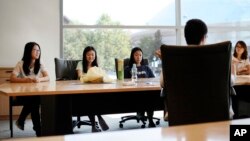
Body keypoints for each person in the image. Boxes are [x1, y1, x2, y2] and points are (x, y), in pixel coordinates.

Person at [156, 18, 235, 119]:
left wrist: (166, 62)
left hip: (181, 113)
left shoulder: (175, 58)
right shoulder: (216, 56)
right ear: (203, 37)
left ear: (185, 37)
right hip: (214, 112)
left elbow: (163, 83)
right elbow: (230, 82)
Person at [10, 42, 50, 136]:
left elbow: (48, 77)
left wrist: (39, 79)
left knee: (34, 101)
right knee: (34, 101)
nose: (38, 52)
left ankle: (24, 122)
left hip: (34, 94)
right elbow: (12, 78)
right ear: (28, 51)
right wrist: (25, 80)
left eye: (39, 50)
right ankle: (37, 130)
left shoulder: (40, 63)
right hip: (22, 95)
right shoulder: (21, 63)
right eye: (35, 50)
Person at [76, 46, 109, 132]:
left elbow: (102, 76)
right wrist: (91, 78)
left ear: (95, 55)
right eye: (88, 55)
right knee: (89, 100)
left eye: (92, 54)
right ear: (85, 55)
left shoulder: (97, 65)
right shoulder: (80, 63)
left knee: (94, 99)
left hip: (95, 89)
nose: (90, 56)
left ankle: (95, 124)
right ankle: (97, 119)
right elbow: (80, 76)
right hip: (83, 90)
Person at [124, 47, 156, 127]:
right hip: (134, 92)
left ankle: (150, 120)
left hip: (146, 91)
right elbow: (123, 82)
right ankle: (141, 113)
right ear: (132, 56)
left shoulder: (146, 68)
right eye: (136, 55)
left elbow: (154, 79)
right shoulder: (128, 69)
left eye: (140, 55)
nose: (138, 57)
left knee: (150, 97)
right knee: (146, 98)